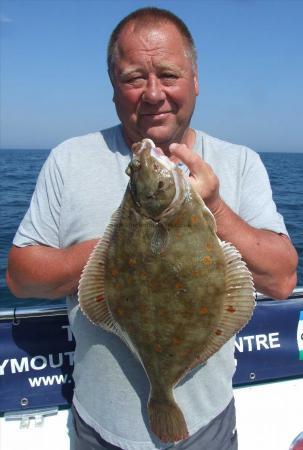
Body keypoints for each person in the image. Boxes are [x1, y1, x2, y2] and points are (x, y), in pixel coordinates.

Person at [6, 7, 298, 450]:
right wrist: (119, 253)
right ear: (113, 88)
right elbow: (20, 277)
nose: (153, 93)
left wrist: (214, 207)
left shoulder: (241, 162)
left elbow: (282, 279)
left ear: (195, 81)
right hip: (99, 428)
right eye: (133, 78)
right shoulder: (68, 160)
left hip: (208, 427)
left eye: (168, 74)